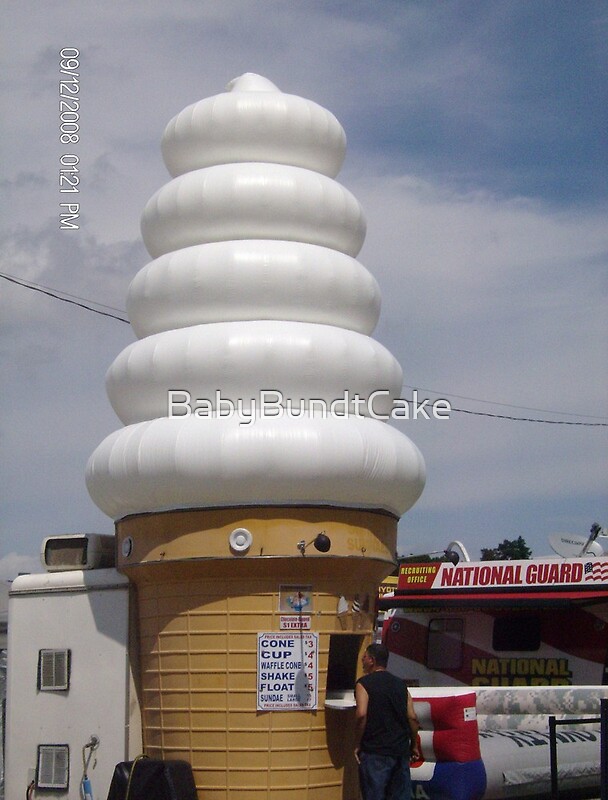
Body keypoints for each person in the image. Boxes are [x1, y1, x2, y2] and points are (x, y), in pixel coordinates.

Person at [354, 642, 420, 800]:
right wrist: (414, 745)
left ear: (372, 660)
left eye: (364, 658)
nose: (362, 661)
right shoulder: (401, 685)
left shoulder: (363, 684)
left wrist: (357, 743)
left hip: (374, 753)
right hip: (400, 752)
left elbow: (362, 714)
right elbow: (412, 717)